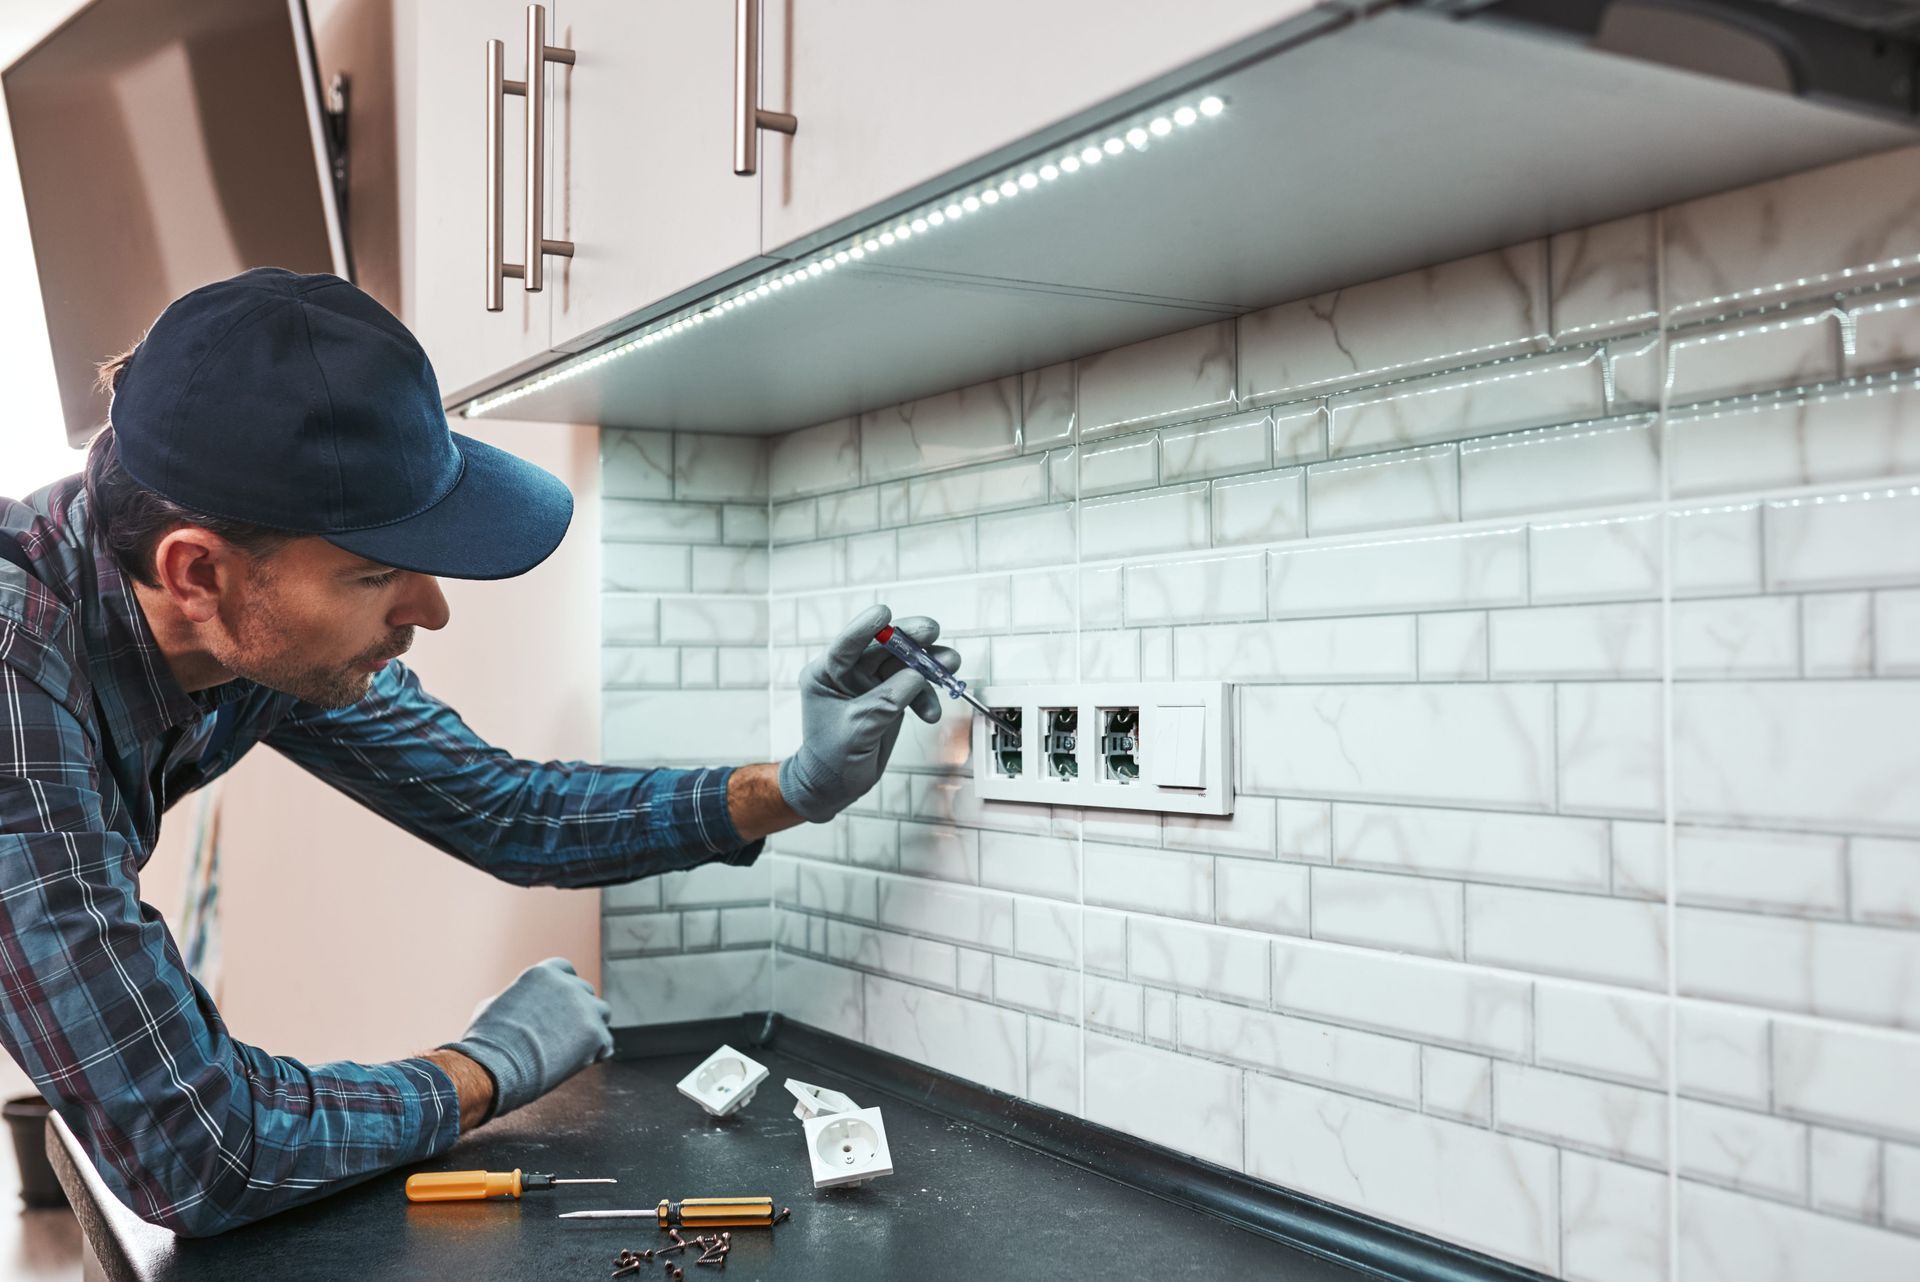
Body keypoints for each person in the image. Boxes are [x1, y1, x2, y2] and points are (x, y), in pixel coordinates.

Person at [0, 267, 958, 1235]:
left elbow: (504, 808)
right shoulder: (13, 682)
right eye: (376, 574)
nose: (431, 611)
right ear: (197, 571)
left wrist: (788, 787)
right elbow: (202, 1145)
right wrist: (481, 1070)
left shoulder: (235, 635)